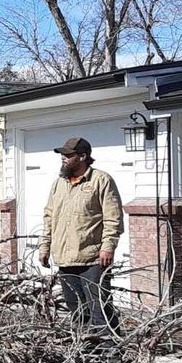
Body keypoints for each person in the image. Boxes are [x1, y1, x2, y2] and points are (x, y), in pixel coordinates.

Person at [38, 137, 124, 337]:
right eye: (63, 155)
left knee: (99, 308)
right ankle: (85, 350)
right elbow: (49, 217)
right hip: (65, 258)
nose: (63, 159)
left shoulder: (101, 181)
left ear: (82, 157)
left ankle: (111, 352)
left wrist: (108, 247)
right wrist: (45, 247)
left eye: (68, 155)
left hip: (93, 257)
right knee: (77, 309)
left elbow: (113, 218)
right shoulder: (58, 184)